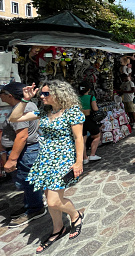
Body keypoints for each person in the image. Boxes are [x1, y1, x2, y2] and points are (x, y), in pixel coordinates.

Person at [9, 80, 85, 253]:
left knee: (53, 200)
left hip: (63, 159)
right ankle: (58, 229)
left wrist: (78, 162)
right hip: (45, 160)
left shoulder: (72, 112)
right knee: (50, 198)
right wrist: (25, 100)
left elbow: (79, 138)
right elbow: (14, 117)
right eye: (41, 93)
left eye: (46, 93)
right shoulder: (44, 112)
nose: (41, 96)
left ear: (58, 94)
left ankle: (75, 215)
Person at [0, 82, 46, 229]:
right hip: (27, 151)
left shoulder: (24, 107)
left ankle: (35, 208)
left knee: (28, 181)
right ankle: (31, 205)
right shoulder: (25, 106)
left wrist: (12, 159)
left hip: (26, 151)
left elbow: (22, 136)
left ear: (10, 95)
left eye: (2, 93)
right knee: (28, 182)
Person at [78, 81, 102, 164]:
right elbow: (95, 109)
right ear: (88, 89)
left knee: (82, 139)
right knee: (96, 136)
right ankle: (92, 154)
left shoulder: (77, 99)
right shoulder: (91, 97)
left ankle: (84, 158)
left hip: (80, 120)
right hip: (89, 119)